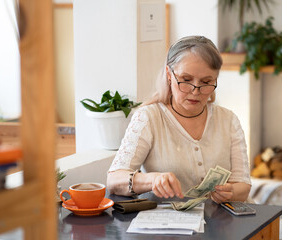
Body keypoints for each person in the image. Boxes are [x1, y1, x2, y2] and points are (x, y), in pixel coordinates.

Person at [106, 36, 251, 204]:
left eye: (206, 82)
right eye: (186, 80)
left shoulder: (228, 120)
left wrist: (231, 191)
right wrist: (152, 180)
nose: (195, 91)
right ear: (169, 74)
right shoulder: (148, 118)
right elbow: (114, 180)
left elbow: (244, 186)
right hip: (171, 224)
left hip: (223, 221)